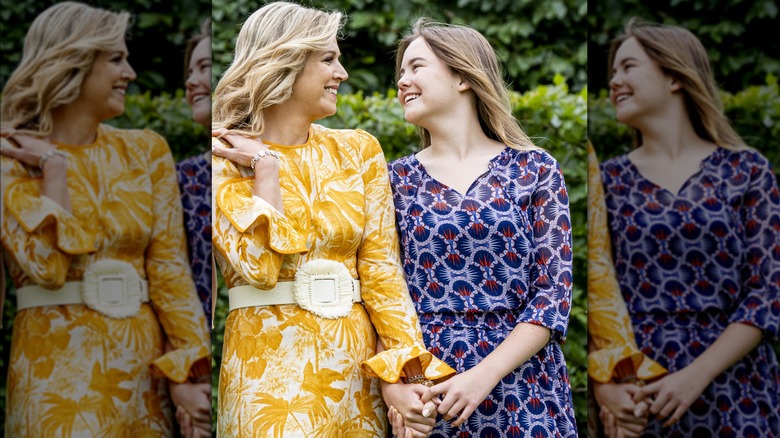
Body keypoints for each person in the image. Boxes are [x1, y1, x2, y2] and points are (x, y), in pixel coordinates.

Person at [209, 2, 455, 436]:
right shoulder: (221, 157)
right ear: (283, 60)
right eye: (328, 58)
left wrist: (407, 377)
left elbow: (382, 273)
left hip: (356, 379)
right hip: (267, 381)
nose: (341, 73)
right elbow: (259, 270)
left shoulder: (358, 150)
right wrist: (266, 168)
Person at [0, 2, 210, 436]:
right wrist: (53, 170)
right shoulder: (9, 159)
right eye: (115, 58)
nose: (130, 73)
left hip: (144, 378)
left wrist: (191, 372)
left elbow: (169, 272)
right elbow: (47, 269)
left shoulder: (146, 150)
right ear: (71, 63)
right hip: (52, 379)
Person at [384, 18, 578, 437]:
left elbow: (552, 294)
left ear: (462, 76)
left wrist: (483, 375)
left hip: (524, 384)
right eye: (400, 73)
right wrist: (402, 388)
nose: (402, 81)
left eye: (416, 67)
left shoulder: (536, 169)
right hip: (428, 391)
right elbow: (381, 291)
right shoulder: (391, 180)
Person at [597, 18, 780, 436]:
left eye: (628, 67)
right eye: (612, 73)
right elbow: (597, 292)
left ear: (674, 76)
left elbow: (769, 291)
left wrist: (697, 375)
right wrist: (605, 388)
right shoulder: (606, 180)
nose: (614, 82)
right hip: (640, 392)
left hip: (736, 386)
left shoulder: (747, 171)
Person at [171, 17, 213, 438]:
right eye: (189, 71)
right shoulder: (180, 179)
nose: (191, 82)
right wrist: (181, 380)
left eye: (204, 68)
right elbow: (163, 283)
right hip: (193, 372)